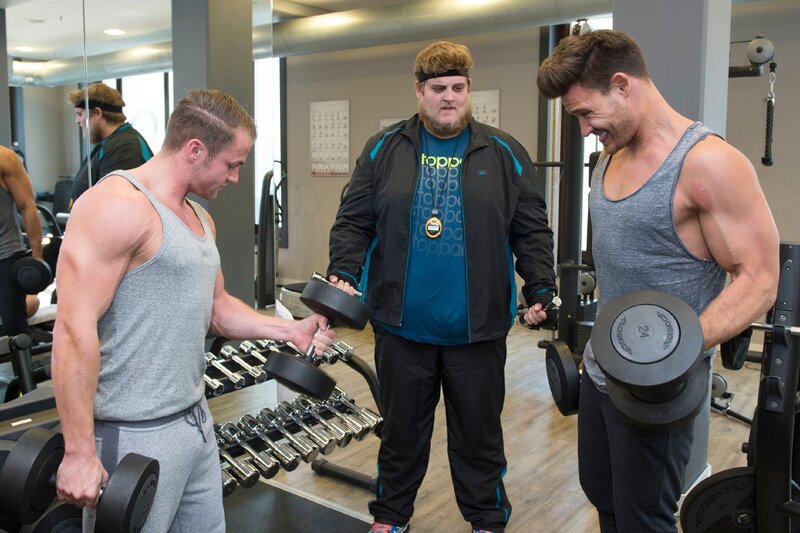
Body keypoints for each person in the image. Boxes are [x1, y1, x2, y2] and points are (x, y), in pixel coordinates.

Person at [51, 89, 337, 533]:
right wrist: (79, 452)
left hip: (197, 422)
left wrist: (292, 331)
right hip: (134, 434)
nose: (236, 177)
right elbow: (72, 330)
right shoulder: (117, 207)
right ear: (195, 150)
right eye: (232, 164)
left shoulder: (200, 219)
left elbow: (218, 309)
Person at [536, 29, 779, 532]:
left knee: (645, 519)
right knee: (603, 497)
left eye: (586, 114)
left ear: (622, 85)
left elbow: (759, 278)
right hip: (603, 376)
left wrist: (668, 355)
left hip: (659, 389)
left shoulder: (707, 162)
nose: (583, 131)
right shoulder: (609, 156)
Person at [327, 41, 557, 533]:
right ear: (419, 91)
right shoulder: (384, 148)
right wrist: (343, 271)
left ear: (468, 90)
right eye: (438, 89)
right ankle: (391, 518)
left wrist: (540, 285)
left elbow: (531, 229)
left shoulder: (503, 152)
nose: (448, 98)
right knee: (401, 437)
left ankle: (487, 521)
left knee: (479, 439)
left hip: (476, 331)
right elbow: (353, 221)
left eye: (457, 88)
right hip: (401, 328)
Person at [66, 82, 154, 204]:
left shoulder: (124, 147)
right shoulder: (110, 144)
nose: (77, 121)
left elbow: (117, 206)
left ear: (97, 113)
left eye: (80, 114)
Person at [0, 145, 43, 337]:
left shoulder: (5, 158)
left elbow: (27, 207)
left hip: (5, 253)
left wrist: (37, 258)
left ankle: (23, 367)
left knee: (13, 326)